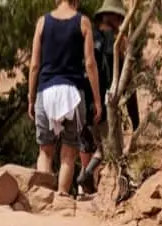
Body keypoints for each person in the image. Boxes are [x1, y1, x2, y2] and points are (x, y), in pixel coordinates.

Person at [28, 0, 102, 198]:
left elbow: (34, 65)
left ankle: (43, 197)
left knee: (45, 151)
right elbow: (90, 63)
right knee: (69, 153)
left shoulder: (42, 23)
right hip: (73, 93)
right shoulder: (83, 22)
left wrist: (30, 97)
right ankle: (61, 194)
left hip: (46, 91)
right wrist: (97, 100)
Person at [77, 0, 140, 194]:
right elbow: (127, 84)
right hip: (104, 104)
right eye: (120, 17)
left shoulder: (88, 37)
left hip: (80, 100)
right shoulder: (117, 43)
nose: (121, 21)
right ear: (114, 18)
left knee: (87, 146)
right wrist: (136, 120)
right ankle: (98, 181)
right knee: (112, 150)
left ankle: (83, 189)